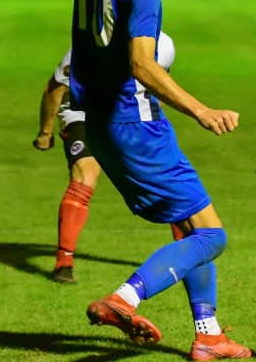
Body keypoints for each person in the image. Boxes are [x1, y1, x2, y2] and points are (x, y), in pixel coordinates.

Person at [22, 0, 251, 362]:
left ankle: (208, 334)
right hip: (136, 125)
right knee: (212, 236)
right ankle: (124, 299)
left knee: (192, 223)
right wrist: (203, 111)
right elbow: (143, 65)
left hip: (97, 124)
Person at [33, 32, 176, 284]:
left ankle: (188, 252)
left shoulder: (163, 45)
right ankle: (63, 262)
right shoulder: (89, 43)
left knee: (164, 176)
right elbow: (55, 88)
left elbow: (159, 87)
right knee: (86, 174)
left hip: (128, 114)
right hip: (82, 111)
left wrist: (151, 126)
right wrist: (45, 132)